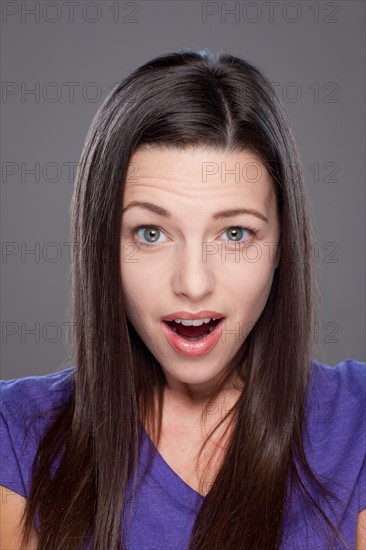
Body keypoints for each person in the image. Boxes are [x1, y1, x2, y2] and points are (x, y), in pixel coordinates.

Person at [0, 49, 365, 550]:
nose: (193, 284)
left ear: (283, 244)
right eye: (151, 233)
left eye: (235, 233)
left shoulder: (358, 425)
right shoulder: (16, 434)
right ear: (102, 243)